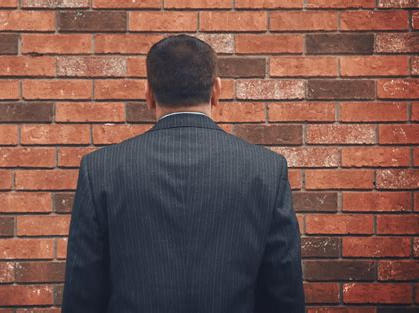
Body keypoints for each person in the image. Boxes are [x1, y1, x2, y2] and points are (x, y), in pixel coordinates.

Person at [61, 34, 305, 313]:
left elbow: (83, 294)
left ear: (149, 96)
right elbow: (284, 293)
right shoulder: (266, 169)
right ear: (216, 91)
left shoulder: (101, 169)